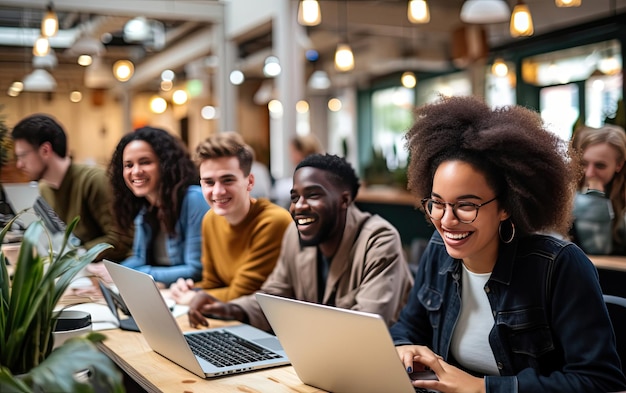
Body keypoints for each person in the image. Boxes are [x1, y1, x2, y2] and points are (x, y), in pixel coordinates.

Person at [390, 96, 626, 393]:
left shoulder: (559, 266)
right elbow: (408, 327)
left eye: (466, 205)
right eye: (437, 204)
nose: (446, 221)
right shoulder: (438, 249)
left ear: (506, 207)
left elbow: (600, 381)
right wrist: (404, 347)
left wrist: (482, 388)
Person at [184, 153, 413, 332]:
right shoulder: (296, 235)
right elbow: (274, 297)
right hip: (317, 361)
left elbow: (365, 327)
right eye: (295, 197)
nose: (299, 206)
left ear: (344, 200)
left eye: (313, 195)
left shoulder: (378, 240)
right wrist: (229, 308)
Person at [169, 132, 292, 303]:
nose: (218, 191)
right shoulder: (211, 219)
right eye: (209, 182)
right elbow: (213, 284)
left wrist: (193, 297)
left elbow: (244, 294)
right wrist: (187, 289)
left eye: (227, 180)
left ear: (249, 182)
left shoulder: (273, 221)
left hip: (268, 325)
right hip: (230, 320)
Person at [11, 113, 132, 261]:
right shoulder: (45, 188)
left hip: (112, 271)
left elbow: (120, 239)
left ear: (45, 150)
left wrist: (75, 256)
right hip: (84, 269)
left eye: (23, 155)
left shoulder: (94, 180)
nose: (19, 164)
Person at [105, 126, 209, 287]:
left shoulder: (194, 199)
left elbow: (195, 270)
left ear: (165, 164)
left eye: (145, 162)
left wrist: (137, 274)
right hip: (163, 294)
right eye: (128, 165)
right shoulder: (146, 209)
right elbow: (139, 259)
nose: (136, 171)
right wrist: (107, 273)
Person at [570, 125, 626, 255]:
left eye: (600, 165)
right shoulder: (566, 194)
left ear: (619, 164)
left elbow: (599, 248)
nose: (589, 173)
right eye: (583, 163)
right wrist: (594, 197)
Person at [272, 134, 324, 208]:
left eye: (292, 152)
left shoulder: (305, 175)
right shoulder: (320, 172)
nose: (290, 156)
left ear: (299, 153)